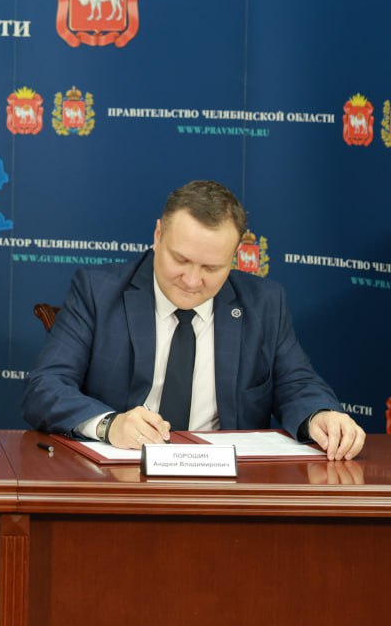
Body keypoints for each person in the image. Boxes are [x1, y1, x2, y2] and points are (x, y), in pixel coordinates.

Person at [22, 180, 364, 460]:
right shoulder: (97, 292)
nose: (191, 280)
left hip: (226, 492)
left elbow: (297, 383)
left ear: (234, 257)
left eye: (211, 268)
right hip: (121, 478)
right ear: (158, 236)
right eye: (181, 260)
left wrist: (320, 415)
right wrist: (110, 425)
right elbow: (45, 386)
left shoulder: (263, 303)